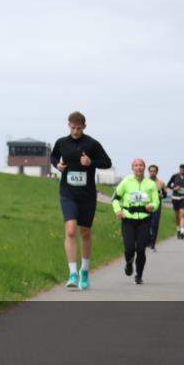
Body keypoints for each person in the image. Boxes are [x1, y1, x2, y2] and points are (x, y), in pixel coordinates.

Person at [49, 111, 112, 291]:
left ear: (84, 126)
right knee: (70, 230)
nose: (75, 131)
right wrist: (57, 165)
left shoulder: (92, 144)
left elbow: (107, 162)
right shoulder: (62, 143)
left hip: (87, 195)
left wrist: (90, 162)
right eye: (72, 128)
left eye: (78, 128)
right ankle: (72, 273)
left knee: (84, 231)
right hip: (68, 192)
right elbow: (53, 157)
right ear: (68, 125)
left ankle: (85, 271)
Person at [112, 158, 161, 284]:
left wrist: (153, 206)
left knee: (140, 249)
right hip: (128, 218)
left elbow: (156, 201)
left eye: (141, 165)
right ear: (132, 168)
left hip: (144, 219)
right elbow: (115, 198)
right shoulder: (126, 182)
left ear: (144, 168)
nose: (138, 167)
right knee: (129, 248)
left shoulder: (150, 184)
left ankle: (139, 274)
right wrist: (118, 210)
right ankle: (129, 263)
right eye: (136, 165)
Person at [167, 164, 184, 239]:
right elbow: (168, 185)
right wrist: (174, 188)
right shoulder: (174, 176)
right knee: (177, 216)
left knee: (183, 214)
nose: (182, 170)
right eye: (181, 169)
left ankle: (182, 231)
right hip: (175, 197)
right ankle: (178, 228)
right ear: (179, 169)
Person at [147, 164, 167, 252]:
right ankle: (147, 242)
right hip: (145, 206)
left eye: (154, 171)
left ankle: (152, 244)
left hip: (156, 206)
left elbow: (165, 194)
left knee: (154, 225)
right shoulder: (144, 182)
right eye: (151, 171)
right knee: (146, 225)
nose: (152, 173)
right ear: (148, 172)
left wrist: (161, 195)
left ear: (157, 172)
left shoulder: (161, 183)